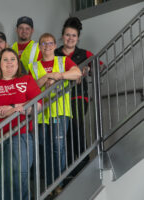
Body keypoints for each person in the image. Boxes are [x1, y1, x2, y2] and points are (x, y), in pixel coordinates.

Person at [0, 48, 42, 200]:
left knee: (19, 176)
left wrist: (11, 107)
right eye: (5, 59)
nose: (9, 63)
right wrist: (12, 111)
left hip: (20, 135)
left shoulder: (26, 80)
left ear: (18, 63)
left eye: (12, 59)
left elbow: (36, 106)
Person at [28, 33, 81, 186]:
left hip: (60, 111)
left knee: (59, 147)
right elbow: (31, 88)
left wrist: (60, 75)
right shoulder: (34, 66)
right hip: (41, 115)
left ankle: (61, 183)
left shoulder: (63, 60)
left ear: (55, 45)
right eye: (44, 44)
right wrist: (47, 77)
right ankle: (52, 185)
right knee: (46, 150)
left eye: (50, 43)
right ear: (39, 47)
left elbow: (77, 72)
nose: (47, 46)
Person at [54, 17, 102, 179]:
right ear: (62, 36)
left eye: (73, 35)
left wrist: (87, 70)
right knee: (63, 133)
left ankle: (84, 162)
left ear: (78, 38)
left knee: (76, 126)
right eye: (67, 35)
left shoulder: (84, 54)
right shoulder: (55, 53)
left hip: (78, 96)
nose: (70, 38)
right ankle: (70, 168)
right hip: (58, 100)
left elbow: (100, 67)